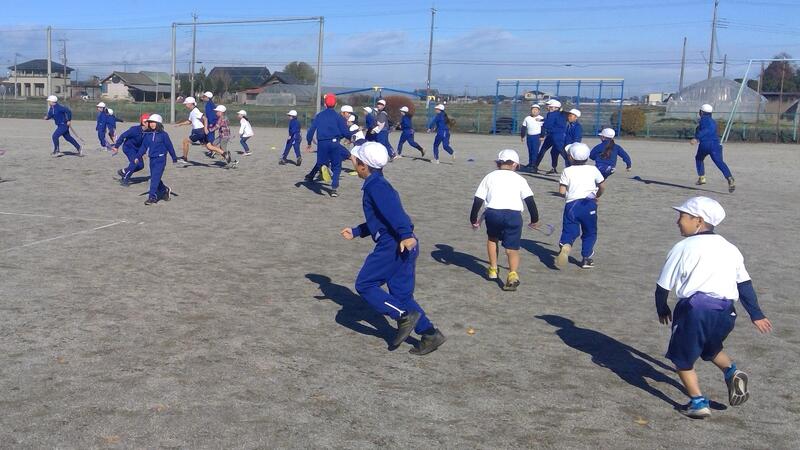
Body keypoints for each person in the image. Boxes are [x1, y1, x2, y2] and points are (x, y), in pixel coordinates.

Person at [655, 196, 772, 418]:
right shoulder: (730, 248)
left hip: (695, 309)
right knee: (709, 347)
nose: (678, 221)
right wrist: (756, 314)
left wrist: (662, 308)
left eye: (682, 216)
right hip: (726, 311)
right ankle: (731, 372)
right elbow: (744, 284)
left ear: (698, 221)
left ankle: (698, 403)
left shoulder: (683, 247)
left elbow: (662, 286)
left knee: (681, 359)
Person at [340, 141, 447, 355]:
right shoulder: (377, 183)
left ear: (363, 166)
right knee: (402, 295)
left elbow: (395, 212)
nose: (352, 162)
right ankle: (430, 334)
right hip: (402, 244)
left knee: (365, 284)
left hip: (393, 245)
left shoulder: (376, 187)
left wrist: (406, 234)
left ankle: (402, 316)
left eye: (354, 160)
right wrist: (358, 231)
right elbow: (382, 219)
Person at [469, 149, 540, 291]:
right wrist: (534, 219)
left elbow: (478, 199)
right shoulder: (520, 179)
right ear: (515, 164)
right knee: (512, 249)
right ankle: (512, 274)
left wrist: (473, 218)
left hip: (493, 214)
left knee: (492, 239)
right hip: (513, 216)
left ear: (498, 163)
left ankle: (493, 269)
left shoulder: (490, 177)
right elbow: (530, 201)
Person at [555, 143, 605, 269]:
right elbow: (602, 186)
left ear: (570, 157)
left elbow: (561, 191)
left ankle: (566, 244)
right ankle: (586, 258)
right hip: (589, 204)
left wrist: (567, 194)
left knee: (570, 229)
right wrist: (597, 195)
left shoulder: (567, 171)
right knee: (590, 231)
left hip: (572, 205)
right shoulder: (593, 169)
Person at [304, 93, 352, 197]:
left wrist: (309, 142)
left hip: (322, 142)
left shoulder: (319, 116)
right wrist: (350, 138)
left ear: (325, 104)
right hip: (334, 142)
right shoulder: (338, 117)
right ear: (336, 105)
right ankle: (334, 189)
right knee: (337, 165)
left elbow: (311, 130)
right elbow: (345, 132)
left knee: (321, 162)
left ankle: (323, 166)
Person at [133, 114, 178, 205]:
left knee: (154, 179)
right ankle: (165, 190)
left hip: (160, 160)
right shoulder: (148, 135)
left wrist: (174, 158)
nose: (152, 124)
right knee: (155, 177)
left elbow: (169, 146)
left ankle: (152, 197)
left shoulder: (164, 135)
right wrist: (137, 156)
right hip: (152, 159)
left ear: (159, 123)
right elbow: (143, 147)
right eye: (150, 122)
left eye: (154, 122)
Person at [692, 104, 735, 193]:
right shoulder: (713, 122)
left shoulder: (703, 120)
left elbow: (706, 130)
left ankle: (702, 177)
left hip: (705, 144)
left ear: (701, 112)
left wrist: (697, 138)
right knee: (720, 162)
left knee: (699, 158)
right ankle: (729, 177)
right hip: (716, 144)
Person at [175, 97, 225, 163]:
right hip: (200, 131)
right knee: (209, 146)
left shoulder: (196, 111)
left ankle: (184, 158)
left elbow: (205, 118)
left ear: (191, 104)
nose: (185, 105)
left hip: (199, 131)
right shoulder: (192, 112)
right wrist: (180, 124)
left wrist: (205, 128)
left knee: (185, 141)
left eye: (186, 103)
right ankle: (224, 153)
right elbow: (189, 121)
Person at [112, 113, 149, 186]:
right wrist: (116, 147)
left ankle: (124, 171)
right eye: (148, 122)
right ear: (143, 122)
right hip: (128, 148)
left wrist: (143, 152)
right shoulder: (134, 130)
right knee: (134, 163)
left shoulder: (148, 132)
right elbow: (123, 136)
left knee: (141, 166)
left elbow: (144, 143)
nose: (150, 124)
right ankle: (125, 179)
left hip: (137, 150)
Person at [533, 99, 567, 174]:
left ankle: (535, 166)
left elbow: (548, 124)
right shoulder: (561, 114)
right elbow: (552, 120)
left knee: (544, 151)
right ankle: (554, 167)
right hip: (558, 136)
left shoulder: (551, 114)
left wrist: (541, 124)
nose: (547, 107)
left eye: (549, 106)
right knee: (557, 152)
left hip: (554, 136)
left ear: (555, 107)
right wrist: (542, 120)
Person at [519, 104, 543, 169]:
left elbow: (543, 128)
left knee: (535, 151)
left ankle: (534, 165)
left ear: (539, 111)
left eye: (536, 110)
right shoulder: (527, 118)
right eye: (533, 109)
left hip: (537, 136)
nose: (534, 111)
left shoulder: (541, 118)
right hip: (529, 136)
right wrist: (522, 136)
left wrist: (542, 136)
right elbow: (523, 127)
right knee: (530, 150)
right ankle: (530, 163)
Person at [201, 91, 218, 156]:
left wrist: (210, 123)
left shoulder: (208, 104)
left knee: (210, 137)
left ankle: (213, 150)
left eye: (204, 96)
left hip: (211, 122)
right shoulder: (211, 103)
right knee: (210, 136)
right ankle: (211, 150)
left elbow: (210, 115)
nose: (203, 98)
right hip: (212, 122)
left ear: (207, 97)